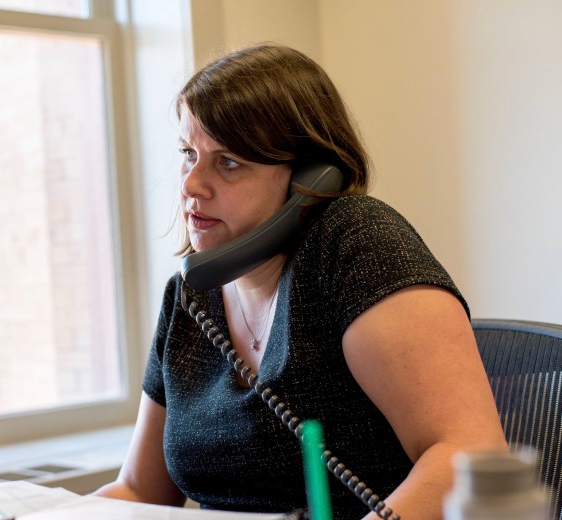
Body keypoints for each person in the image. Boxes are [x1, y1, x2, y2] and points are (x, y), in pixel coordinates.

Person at [94, 44, 507, 519]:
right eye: (189, 153)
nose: (190, 185)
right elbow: (140, 490)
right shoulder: (191, 294)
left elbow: (468, 454)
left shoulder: (355, 245)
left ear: (310, 176)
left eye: (228, 161)